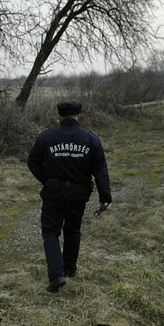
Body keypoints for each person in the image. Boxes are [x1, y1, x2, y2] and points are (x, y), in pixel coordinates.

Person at [27, 101, 113, 293]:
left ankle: (57, 274)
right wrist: (105, 198)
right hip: (79, 193)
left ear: (59, 116)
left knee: (50, 232)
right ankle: (69, 269)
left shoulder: (46, 137)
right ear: (79, 115)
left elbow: (32, 162)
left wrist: (47, 180)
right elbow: (100, 170)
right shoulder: (91, 139)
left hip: (54, 193)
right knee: (73, 231)